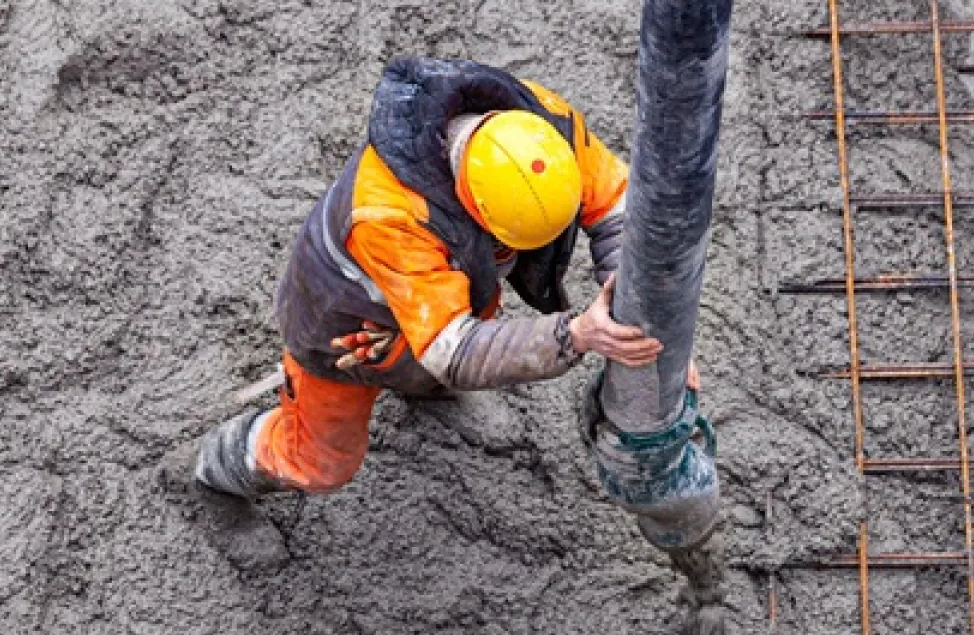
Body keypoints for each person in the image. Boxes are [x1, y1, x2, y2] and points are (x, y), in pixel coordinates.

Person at [195, 56, 669, 498]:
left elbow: (618, 209)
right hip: (343, 325)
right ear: (471, 205)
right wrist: (576, 335)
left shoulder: (543, 130)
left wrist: (646, 317)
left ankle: (430, 392)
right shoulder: (389, 216)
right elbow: (454, 348)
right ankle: (223, 462)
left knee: (459, 329)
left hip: (441, 290)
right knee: (323, 463)